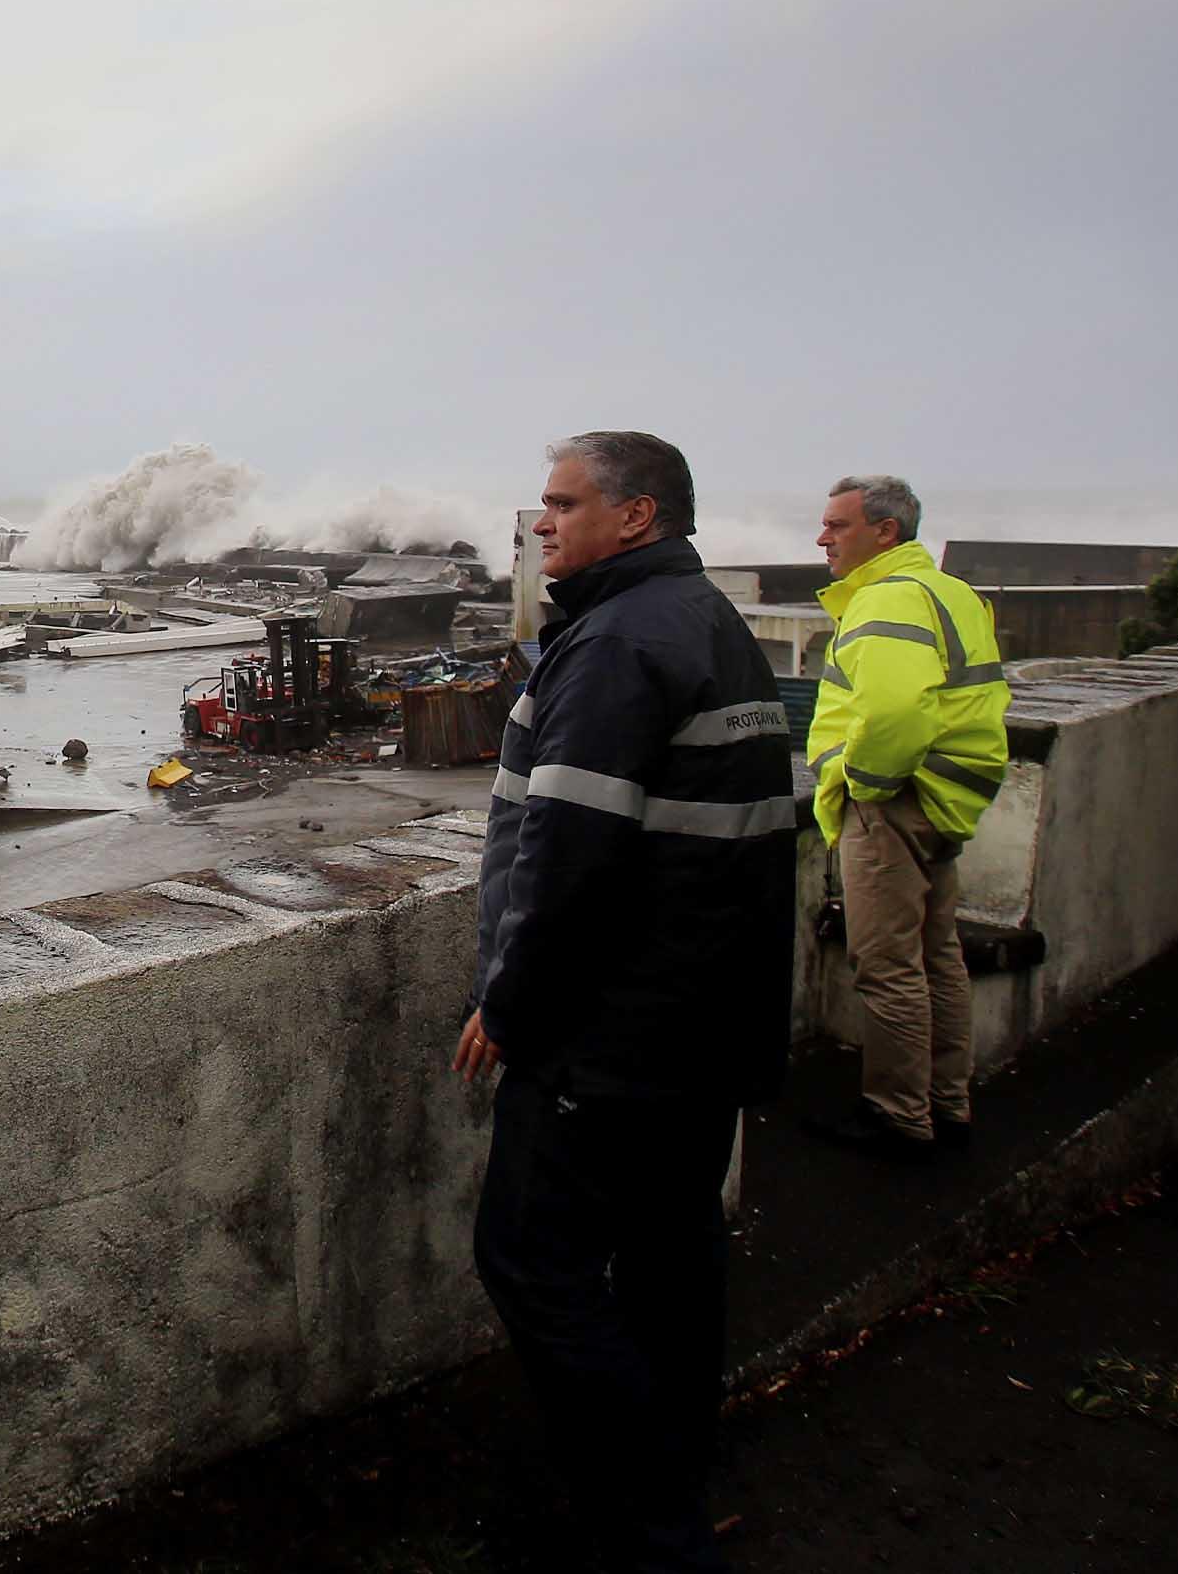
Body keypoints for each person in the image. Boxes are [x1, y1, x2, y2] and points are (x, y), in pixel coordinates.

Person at [453, 431, 795, 1572]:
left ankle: (649, 1524)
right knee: (669, 1257)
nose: (540, 521)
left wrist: (505, 1002)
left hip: (610, 1032)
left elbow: (567, 856)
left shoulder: (610, 644)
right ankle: (678, 1482)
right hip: (706, 1017)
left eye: (560, 503)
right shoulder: (704, 621)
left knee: (529, 1259)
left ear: (634, 515)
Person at [803, 475, 1010, 1162]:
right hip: (947, 798)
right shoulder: (950, 591)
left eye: (837, 525)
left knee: (886, 965)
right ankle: (947, 1105)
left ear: (884, 532)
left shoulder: (885, 597)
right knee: (936, 956)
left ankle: (897, 1117)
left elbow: (895, 712)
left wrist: (858, 785)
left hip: (893, 803)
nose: (822, 537)